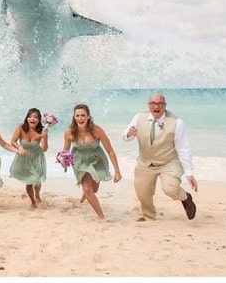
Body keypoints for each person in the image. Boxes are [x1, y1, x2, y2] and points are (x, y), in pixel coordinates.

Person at [122, 93, 198, 221]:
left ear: (165, 106)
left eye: (159, 103)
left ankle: (186, 198)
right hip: (145, 162)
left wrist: (189, 173)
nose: (156, 106)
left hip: (169, 162)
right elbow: (125, 137)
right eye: (152, 103)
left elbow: (183, 148)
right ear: (148, 105)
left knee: (170, 189)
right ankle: (149, 216)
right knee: (142, 192)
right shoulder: (139, 117)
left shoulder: (177, 122)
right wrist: (129, 134)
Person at [61, 104, 122, 220]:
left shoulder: (96, 130)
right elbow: (65, 151)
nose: (80, 118)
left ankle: (86, 192)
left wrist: (117, 171)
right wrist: (63, 162)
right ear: (74, 117)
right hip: (79, 161)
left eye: (83, 115)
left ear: (88, 116)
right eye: (77, 116)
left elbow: (110, 151)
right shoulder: (69, 132)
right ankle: (101, 216)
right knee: (89, 190)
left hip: (96, 159)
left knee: (94, 189)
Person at [9, 108, 48, 207]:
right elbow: (13, 141)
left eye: (35, 117)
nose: (32, 119)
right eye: (30, 116)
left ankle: (37, 195)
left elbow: (44, 149)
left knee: (37, 179)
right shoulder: (21, 127)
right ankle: (33, 201)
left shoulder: (41, 130)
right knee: (29, 181)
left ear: (39, 120)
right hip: (24, 157)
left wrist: (44, 137)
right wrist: (20, 147)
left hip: (37, 157)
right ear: (26, 118)